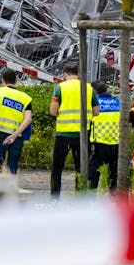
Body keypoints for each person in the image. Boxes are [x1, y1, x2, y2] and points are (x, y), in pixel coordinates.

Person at [49, 63, 98, 198]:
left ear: (65, 75)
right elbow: (96, 111)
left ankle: (54, 197)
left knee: (57, 168)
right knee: (81, 167)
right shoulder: (89, 88)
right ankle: (80, 196)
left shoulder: (60, 88)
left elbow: (53, 111)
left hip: (63, 134)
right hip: (82, 135)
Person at [0, 68, 33, 175]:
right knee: (12, 167)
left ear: (3, 80)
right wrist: (15, 135)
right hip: (16, 137)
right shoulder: (26, 98)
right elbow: (28, 119)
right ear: (15, 81)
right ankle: (11, 189)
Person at [88, 81, 119, 193]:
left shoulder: (94, 105)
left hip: (99, 144)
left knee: (93, 174)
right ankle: (113, 197)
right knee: (114, 174)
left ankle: (90, 198)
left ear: (94, 92)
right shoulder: (118, 102)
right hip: (116, 143)